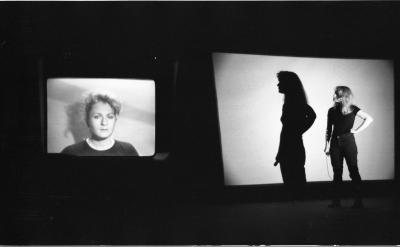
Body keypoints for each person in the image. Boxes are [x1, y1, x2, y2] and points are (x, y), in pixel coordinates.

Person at [324, 86, 373, 208]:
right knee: (337, 172)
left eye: (336, 94)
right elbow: (328, 129)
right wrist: (326, 145)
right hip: (335, 143)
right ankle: (336, 202)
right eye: (334, 94)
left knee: (353, 170)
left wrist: (356, 130)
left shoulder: (353, 109)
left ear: (344, 96)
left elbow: (369, 118)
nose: (334, 96)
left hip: (348, 142)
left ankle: (358, 201)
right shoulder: (331, 111)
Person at [274, 71, 316, 200]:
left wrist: (299, 130)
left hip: (292, 147)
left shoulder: (293, 103)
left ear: (288, 84)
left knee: (293, 184)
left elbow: (287, 132)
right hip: (293, 146)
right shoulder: (292, 103)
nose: (278, 84)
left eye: (280, 82)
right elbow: (312, 116)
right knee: (296, 182)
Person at [61, 92, 139, 156]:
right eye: (97, 117)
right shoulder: (70, 152)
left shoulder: (128, 150)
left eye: (110, 117)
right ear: (87, 120)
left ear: (115, 119)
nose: (104, 122)